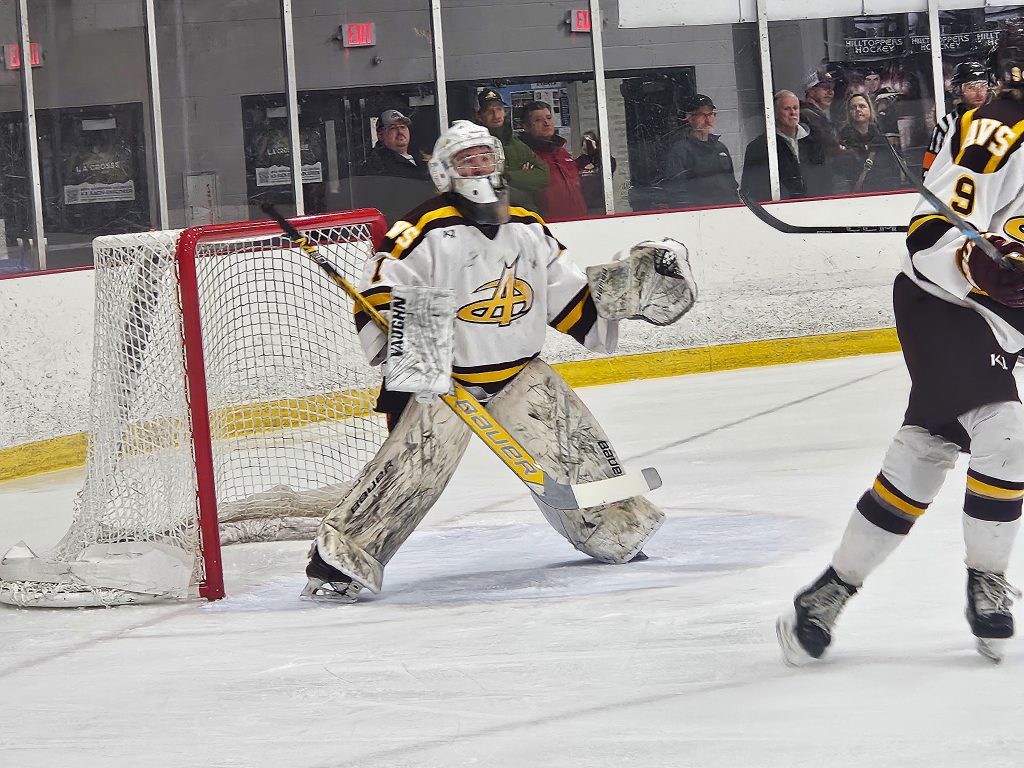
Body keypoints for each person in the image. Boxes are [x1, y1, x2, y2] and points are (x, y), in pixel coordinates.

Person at [302, 120, 697, 602]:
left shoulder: (528, 227)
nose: (480, 166)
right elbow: (384, 285)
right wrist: (414, 346)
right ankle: (340, 558)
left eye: (486, 156)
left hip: (518, 372)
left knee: (577, 452)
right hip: (447, 379)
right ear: (445, 171)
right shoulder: (423, 226)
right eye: (467, 159)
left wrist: (626, 292)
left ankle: (612, 531)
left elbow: (567, 296)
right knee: (413, 472)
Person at [777, 20, 1024, 665]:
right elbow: (928, 242)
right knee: (1007, 433)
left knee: (924, 451)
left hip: (992, 316)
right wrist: (988, 266)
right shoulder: (997, 131)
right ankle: (986, 580)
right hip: (944, 304)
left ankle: (829, 591)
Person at [657, 94, 739, 208]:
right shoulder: (680, 150)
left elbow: (731, 186)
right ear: (689, 117)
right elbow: (678, 193)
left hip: (728, 213)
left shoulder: (721, 148)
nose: (708, 120)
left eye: (711, 114)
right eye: (703, 115)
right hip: (700, 217)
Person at [475, 88, 549, 210]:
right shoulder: (476, 145)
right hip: (493, 213)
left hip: (525, 213)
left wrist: (507, 177)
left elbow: (544, 175)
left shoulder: (516, 143)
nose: (496, 115)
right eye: (489, 111)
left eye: (499, 109)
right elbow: (483, 184)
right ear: (479, 116)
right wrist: (523, 177)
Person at [519, 100, 588, 220]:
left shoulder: (561, 152)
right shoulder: (525, 156)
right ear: (526, 126)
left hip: (581, 223)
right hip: (548, 228)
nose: (546, 123)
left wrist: (595, 159)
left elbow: (581, 183)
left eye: (549, 117)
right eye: (538, 120)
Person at [923, 61, 991, 177]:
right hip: (959, 190)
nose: (979, 93)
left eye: (983, 86)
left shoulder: (998, 120)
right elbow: (930, 164)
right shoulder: (947, 125)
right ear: (958, 90)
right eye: (971, 87)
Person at [740, 90, 811, 202]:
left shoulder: (814, 141)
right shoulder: (759, 147)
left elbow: (823, 176)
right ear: (775, 113)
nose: (793, 112)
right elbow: (751, 188)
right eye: (786, 109)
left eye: (795, 108)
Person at [835, 93, 903, 194]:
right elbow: (840, 176)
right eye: (853, 107)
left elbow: (894, 171)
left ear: (870, 110)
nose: (858, 110)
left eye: (862, 106)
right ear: (849, 113)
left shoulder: (882, 140)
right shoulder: (842, 141)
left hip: (884, 195)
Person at [800, 69, 846, 196]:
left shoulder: (818, 116)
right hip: (816, 186)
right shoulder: (805, 115)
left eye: (832, 88)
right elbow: (830, 147)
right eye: (825, 87)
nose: (830, 92)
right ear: (810, 90)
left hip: (824, 182)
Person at [355, 109, 430, 181]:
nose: (400, 131)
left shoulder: (422, 157)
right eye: (393, 128)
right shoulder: (377, 165)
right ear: (380, 135)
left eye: (403, 127)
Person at [574, 129, 616, 214]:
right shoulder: (578, 162)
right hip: (583, 206)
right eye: (585, 141)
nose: (587, 144)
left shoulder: (602, 159)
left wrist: (597, 150)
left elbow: (611, 165)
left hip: (601, 206)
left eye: (589, 141)